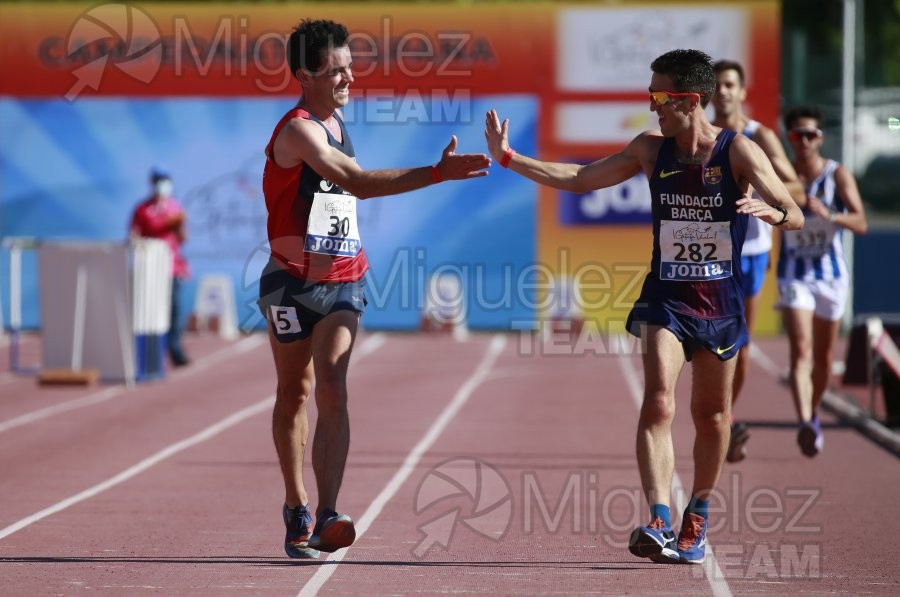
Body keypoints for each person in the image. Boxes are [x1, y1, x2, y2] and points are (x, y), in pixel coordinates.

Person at [485, 49, 802, 565]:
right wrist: (509, 157)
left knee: (713, 417)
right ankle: (658, 517)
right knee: (658, 401)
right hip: (667, 298)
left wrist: (775, 210)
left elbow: (795, 212)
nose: (650, 104)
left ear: (689, 99)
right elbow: (579, 179)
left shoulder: (738, 152)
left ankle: (696, 514)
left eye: (659, 96)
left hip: (720, 302)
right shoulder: (651, 150)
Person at [259, 18, 490, 559]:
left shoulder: (336, 121)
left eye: (350, 68)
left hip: (344, 276)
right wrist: (435, 173)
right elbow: (356, 182)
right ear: (304, 75)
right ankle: (295, 504)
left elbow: (349, 195)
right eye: (336, 70)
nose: (348, 79)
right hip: (290, 282)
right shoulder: (298, 131)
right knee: (295, 391)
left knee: (334, 383)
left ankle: (327, 513)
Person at [711, 60, 807, 463]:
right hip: (711, 248)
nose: (723, 92)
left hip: (749, 251)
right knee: (711, 340)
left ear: (743, 91)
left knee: (741, 344)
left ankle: (724, 419)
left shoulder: (758, 136)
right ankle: (718, 419)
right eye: (716, 85)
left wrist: (763, 191)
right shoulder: (703, 134)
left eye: (730, 84)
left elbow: (797, 189)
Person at [779, 105, 867, 457]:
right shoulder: (781, 175)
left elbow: (861, 223)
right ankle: (804, 421)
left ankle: (813, 412)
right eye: (797, 135)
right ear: (789, 139)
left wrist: (829, 214)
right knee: (800, 350)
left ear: (820, 138)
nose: (804, 141)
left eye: (810, 135)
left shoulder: (837, 175)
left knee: (824, 358)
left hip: (831, 275)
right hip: (794, 273)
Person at [130, 167, 191, 367]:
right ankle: (150, 353)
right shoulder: (142, 209)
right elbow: (134, 236)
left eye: (165, 182)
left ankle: (175, 350)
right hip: (150, 269)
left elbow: (183, 239)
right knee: (151, 311)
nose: (162, 186)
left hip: (172, 267)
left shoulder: (174, 207)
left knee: (173, 310)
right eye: (159, 182)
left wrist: (179, 226)